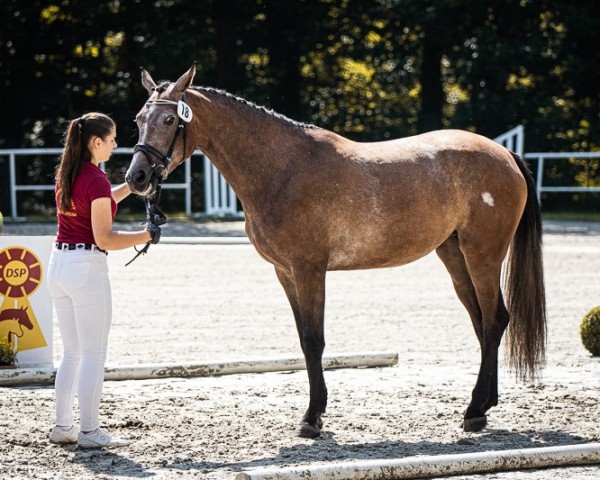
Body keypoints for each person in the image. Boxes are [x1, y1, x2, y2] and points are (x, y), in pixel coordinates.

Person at [46, 112, 161, 449]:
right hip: (86, 268)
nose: (115, 145)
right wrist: (146, 235)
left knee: (72, 353)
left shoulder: (69, 173)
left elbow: (99, 202)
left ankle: (63, 426)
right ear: (96, 143)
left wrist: (132, 186)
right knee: (94, 355)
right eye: (111, 140)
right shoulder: (95, 180)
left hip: (60, 264)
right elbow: (105, 238)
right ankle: (90, 431)